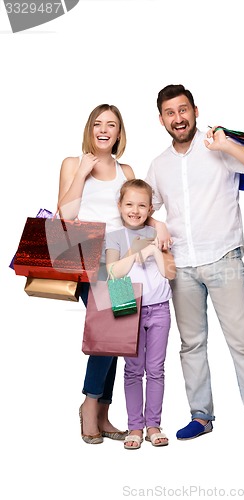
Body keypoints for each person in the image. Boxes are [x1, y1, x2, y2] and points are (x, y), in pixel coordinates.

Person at [145, 84, 244, 447]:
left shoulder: (217, 147)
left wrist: (227, 145)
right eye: (170, 113)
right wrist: (156, 224)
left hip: (224, 258)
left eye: (183, 109)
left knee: (243, 342)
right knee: (191, 344)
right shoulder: (158, 166)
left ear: (195, 110)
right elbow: (144, 209)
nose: (178, 118)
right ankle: (200, 416)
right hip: (182, 266)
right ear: (161, 120)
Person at [57, 104, 167, 445]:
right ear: (90, 129)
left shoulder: (126, 169)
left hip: (120, 260)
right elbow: (64, 216)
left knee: (118, 337)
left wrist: (158, 223)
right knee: (107, 334)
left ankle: (103, 412)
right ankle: (89, 406)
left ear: (119, 133)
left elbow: (138, 212)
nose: (104, 130)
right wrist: (81, 173)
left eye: (112, 125)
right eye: (98, 124)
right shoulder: (73, 164)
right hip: (89, 260)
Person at [105, 179, 176, 450]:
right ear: (120, 206)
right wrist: (139, 251)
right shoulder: (114, 236)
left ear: (149, 209)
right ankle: (135, 426)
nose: (135, 210)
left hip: (159, 307)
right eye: (129, 204)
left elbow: (170, 273)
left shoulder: (157, 232)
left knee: (155, 369)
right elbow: (113, 273)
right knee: (133, 370)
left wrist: (155, 248)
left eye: (142, 205)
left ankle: (153, 425)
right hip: (126, 304)